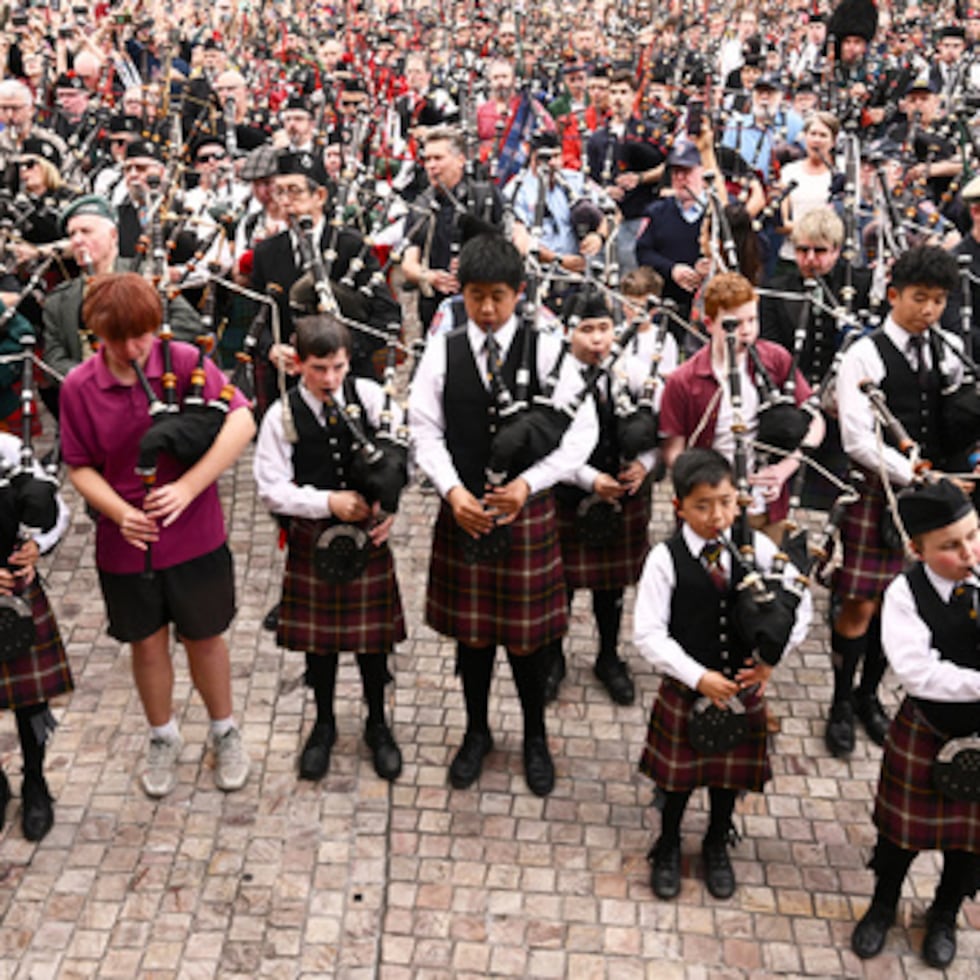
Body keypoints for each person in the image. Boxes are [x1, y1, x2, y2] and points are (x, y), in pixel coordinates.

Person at [409, 232, 597, 797]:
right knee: (473, 639)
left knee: (527, 643)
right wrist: (451, 492)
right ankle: (476, 732)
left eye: (498, 296)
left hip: (525, 514)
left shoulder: (548, 349)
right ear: (459, 293)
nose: (487, 309)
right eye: (475, 296)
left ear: (519, 292)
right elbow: (424, 429)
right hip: (464, 512)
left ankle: (535, 736)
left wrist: (528, 485)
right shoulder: (443, 349)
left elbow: (580, 433)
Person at [59, 273, 255, 799]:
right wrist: (119, 512)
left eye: (141, 334)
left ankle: (224, 730)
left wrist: (190, 486)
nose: (130, 349)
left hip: (195, 533)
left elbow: (241, 423)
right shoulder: (79, 386)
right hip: (127, 543)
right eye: (116, 338)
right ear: (95, 331)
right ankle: (162, 735)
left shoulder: (184, 362)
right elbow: (78, 467)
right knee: (146, 646)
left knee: (205, 637)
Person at [634, 448, 812, 900]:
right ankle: (669, 843)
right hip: (688, 688)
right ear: (679, 507)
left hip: (742, 687)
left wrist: (772, 660)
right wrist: (698, 677)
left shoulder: (762, 548)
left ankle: (717, 841)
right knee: (676, 781)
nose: (719, 515)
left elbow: (799, 604)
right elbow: (648, 633)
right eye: (703, 505)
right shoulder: (664, 559)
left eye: (728, 501)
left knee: (727, 780)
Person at [253, 315, 404, 783]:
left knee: (373, 642)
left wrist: (391, 506)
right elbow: (271, 487)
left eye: (337, 367)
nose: (330, 379)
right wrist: (327, 502)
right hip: (314, 540)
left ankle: (378, 724)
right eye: (318, 368)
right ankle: (323, 724)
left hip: (368, 539)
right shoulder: (281, 417)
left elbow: (402, 454)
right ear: (298, 364)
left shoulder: (372, 397)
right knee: (319, 646)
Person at [832, 246, 965, 758]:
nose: (928, 310)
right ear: (893, 295)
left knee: (904, 603)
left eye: (938, 300)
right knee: (861, 602)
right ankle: (841, 702)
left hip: (932, 499)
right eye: (919, 298)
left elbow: (953, 414)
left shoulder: (948, 348)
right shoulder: (863, 355)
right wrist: (915, 472)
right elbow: (857, 440)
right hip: (880, 492)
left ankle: (869, 697)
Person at [851, 479, 980, 969]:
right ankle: (883, 905)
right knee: (901, 836)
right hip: (929, 730)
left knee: (970, 842)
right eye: (949, 545)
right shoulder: (905, 593)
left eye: (974, 535)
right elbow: (918, 672)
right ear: (916, 548)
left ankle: (944, 913)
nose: (968, 551)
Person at [544, 289, 662, 706]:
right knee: (562, 584)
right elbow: (547, 446)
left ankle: (609, 657)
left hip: (623, 497)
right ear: (567, 331)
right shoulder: (555, 377)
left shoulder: (632, 370)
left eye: (605, 329)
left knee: (611, 587)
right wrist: (590, 479)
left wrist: (645, 465)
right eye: (586, 329)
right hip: (570, 494)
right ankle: (554, 659)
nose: (597, 339)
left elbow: (659, 428)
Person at [659, 272, 825, 541]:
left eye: (752, 320)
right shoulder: (683, 380)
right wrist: (711, 490)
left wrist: (784, 469)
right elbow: (672, 453)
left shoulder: (776, 359)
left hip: (768, 509)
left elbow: (816, 422)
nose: (747, 330)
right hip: (712, 516)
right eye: (733, 324)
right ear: (709, 324)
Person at [0, 424, 71, 842]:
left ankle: (35, 784)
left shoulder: (9, 450)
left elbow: (55, 509)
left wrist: (37, 546)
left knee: (29, 701)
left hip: (15, 589)